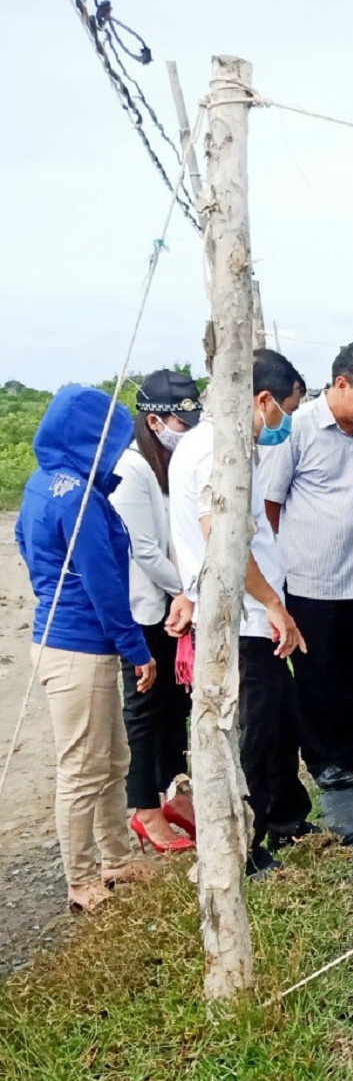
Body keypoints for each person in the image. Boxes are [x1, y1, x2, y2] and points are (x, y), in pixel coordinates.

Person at [170, 349, 314, 872]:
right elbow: (222, 539)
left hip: (254, 613)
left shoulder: (228, 445)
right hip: (240, 617)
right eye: (287, 413)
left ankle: (286, 821)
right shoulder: (215, 450)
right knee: (251, 731)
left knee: (280, 720)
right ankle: (244, 844)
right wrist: (273, 603)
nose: (285, 425)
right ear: (263, 400)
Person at [16, 386, 156, 912]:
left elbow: (22, 543)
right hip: (80, 649)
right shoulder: (78, 497)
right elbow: (104, 583)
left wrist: (50, 585)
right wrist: (135, 648)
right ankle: (79, 880)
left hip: (60, 639)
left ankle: (115, 859)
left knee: (113, 757)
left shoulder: (42, 485)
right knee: (81, 768)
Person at [261, 343, 353, 791]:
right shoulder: (297, 428)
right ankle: (322, 759)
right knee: (319, 673)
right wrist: (284, 562)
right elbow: (269, 502)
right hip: (311, 577)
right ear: (342, 383)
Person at [110, 369, 199, 853]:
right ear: (153, 419)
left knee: (173, 705)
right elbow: (144, 550)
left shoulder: (166, 464)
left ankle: (172, 793)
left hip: (171, 604)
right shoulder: (131, 469)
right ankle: (144, 810)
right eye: (177, 423)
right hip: (144, 608)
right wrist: (189, 590)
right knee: (144, 709)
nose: (182, 433)